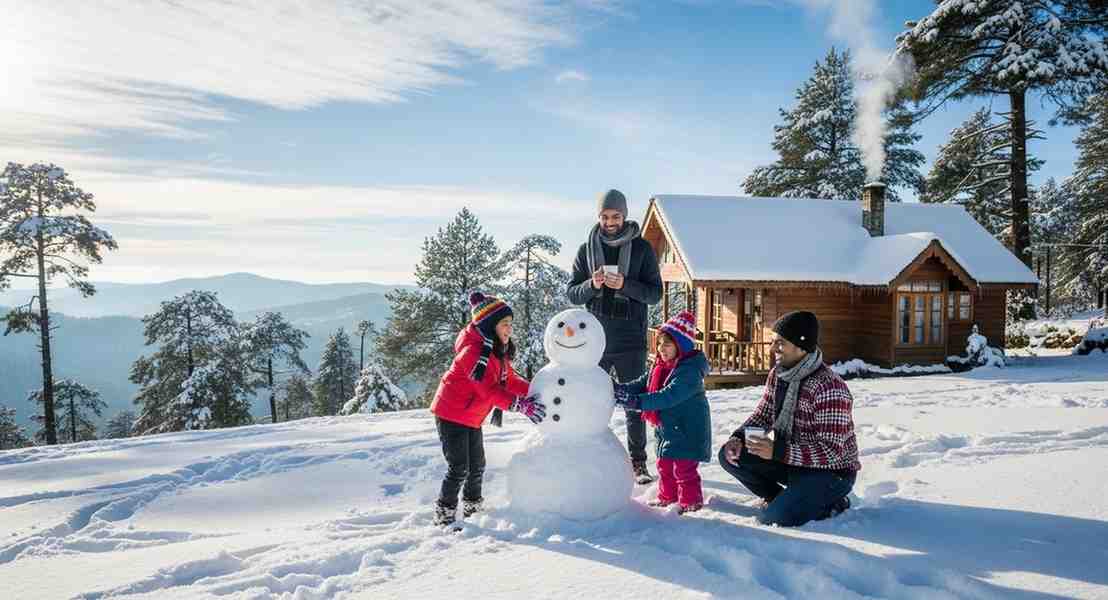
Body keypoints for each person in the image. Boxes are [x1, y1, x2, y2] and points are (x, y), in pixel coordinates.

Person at [718, 311, 860, 527]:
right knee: (729, 456)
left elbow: (831, 452)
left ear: (802, 346)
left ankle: (834, 502)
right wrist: (737, 437)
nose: (773, 349)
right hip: (792, 462)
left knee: (773, 519)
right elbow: (764, 414)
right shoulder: (779, 374)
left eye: (780, 343)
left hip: (831, 474)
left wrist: (778, 451)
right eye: (773, 341)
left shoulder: (829, 388)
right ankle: (780, 498)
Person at [567, 189, 663, 484]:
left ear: (624, 215)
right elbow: (573, 293)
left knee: (633, 403)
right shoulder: (586, 249)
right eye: (605, 216)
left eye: (616, 216)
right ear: (599, 217)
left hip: (630, 340)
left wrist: (625, 284)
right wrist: (592, 285)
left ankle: (638, 463)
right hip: (594, 341)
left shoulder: (643, 249)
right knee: (593, 401)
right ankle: (589, 458)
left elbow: (655, 294)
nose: (610, 222)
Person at [429, 292, 546, 527]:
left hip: (471, 416)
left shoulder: (494, 350)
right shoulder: (472, 353)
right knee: (459, 467)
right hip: (451, 414)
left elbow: (509, 381)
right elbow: (488, 390)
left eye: (511, 324)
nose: (509, 329)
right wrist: (518, 405)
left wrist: (537, 389)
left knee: (477, 465)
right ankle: (444, 513)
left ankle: (473, 506)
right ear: (490, 326)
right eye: (505, 324)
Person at [613, 311, 710, 513]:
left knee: (684, 470)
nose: (661, 349)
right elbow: (643, 384)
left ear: (681, 346)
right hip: (668, 428)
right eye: (659, 344)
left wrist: (636, 402)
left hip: (687, 429)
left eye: (667, 344)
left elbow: (668, 396)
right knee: (664, 466)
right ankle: (668, 497)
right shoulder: (661, 366)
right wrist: (621, 389)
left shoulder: (690, 372)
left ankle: (691, 502)